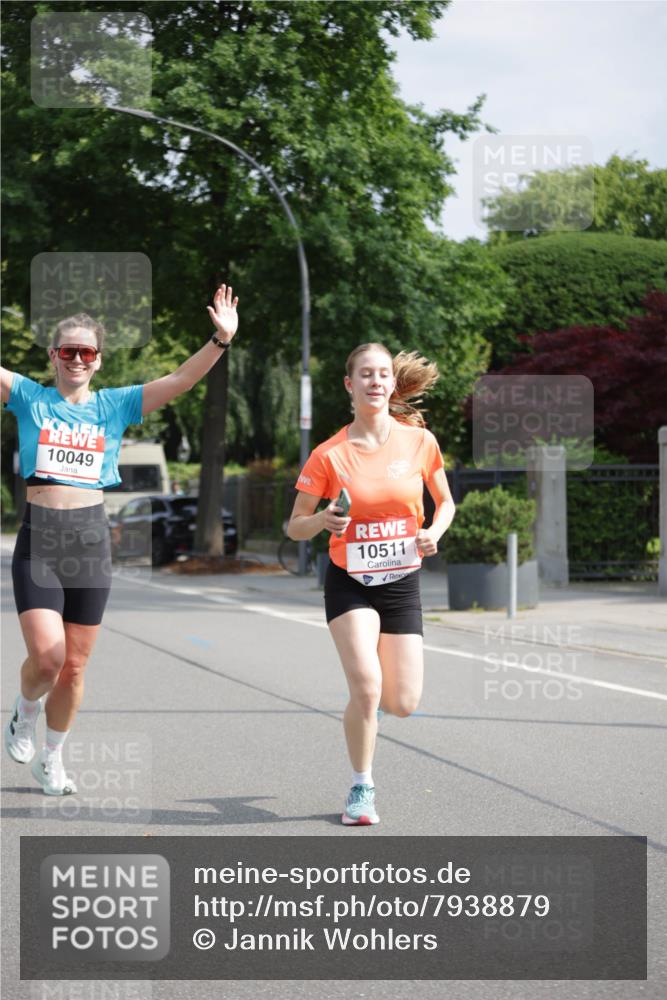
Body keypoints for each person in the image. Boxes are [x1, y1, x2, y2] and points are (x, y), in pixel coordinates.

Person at [2, 283, 238, 795]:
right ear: (54, 356)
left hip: (89, 542)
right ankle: (24, 712)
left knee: (74, 666)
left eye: (87, 352)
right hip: (41, 539)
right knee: (48, 658)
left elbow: (179, 379)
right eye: (69, 351)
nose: (78, 359)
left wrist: (219, 341)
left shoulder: (115, 406)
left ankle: (53, 759)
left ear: (99, 360)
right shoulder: (28, 397)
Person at [287, 343, 455, 826]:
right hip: (350, 582)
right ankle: (362, 788)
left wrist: (433, 534)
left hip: (402, 580)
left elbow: (445, 503)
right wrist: (322, 519)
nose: (375, 381)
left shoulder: (420, 443)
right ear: (350, 385)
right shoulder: (329, 454)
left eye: (382, 374)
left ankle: (369, 713)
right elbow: (293, 526)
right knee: (366, 685)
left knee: (401, 702)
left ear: (390, 384)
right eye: (365, 374)